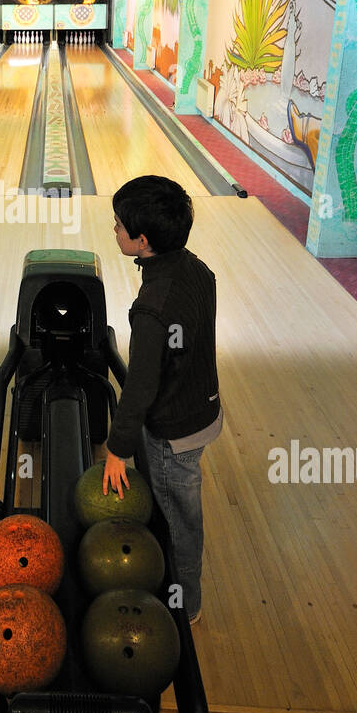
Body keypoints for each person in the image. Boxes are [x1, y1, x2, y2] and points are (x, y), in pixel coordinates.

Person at [103, 176, 222, 624]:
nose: (113, 230)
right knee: (171, 503)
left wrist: (117, 449)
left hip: (174, 431)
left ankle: (184, 605)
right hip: (200, 406)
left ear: (142, 241)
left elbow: (140, 386)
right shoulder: (193, 266)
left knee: (178, 523)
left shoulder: (152, 308)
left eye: (117, 226)